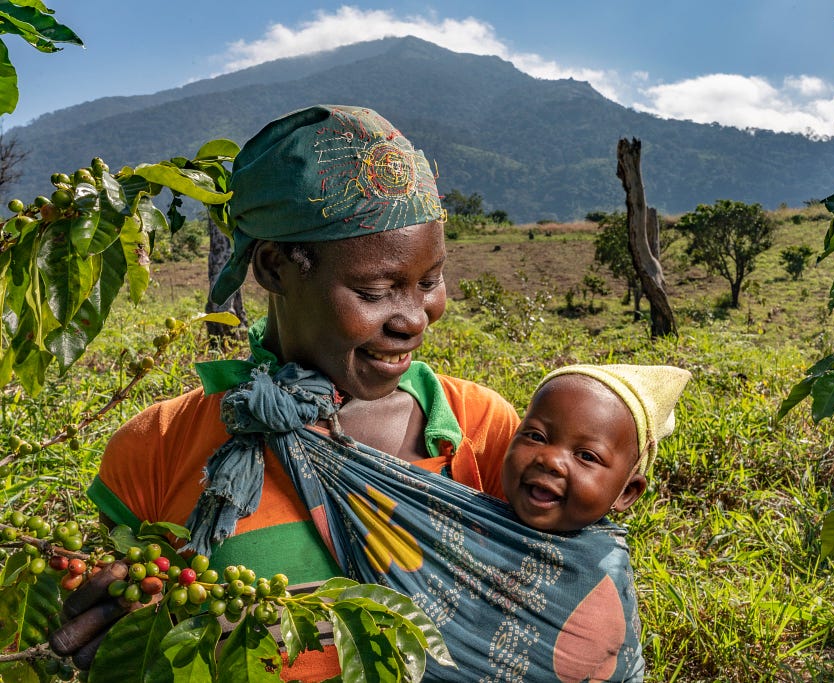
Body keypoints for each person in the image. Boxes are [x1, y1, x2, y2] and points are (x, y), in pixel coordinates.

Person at [51, 104, 520, 680]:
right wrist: (111, 628)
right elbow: (138, 615)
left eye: (430, 280)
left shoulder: (480, 430)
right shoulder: (158, 448)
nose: (415, 318)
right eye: (375, 290)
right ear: (273, 267)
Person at [501, 364, 691, 533]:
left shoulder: (603, 570)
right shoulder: (473, 513)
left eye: (586, 456)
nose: (551, 460)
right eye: (536, 437)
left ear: (626, 492)